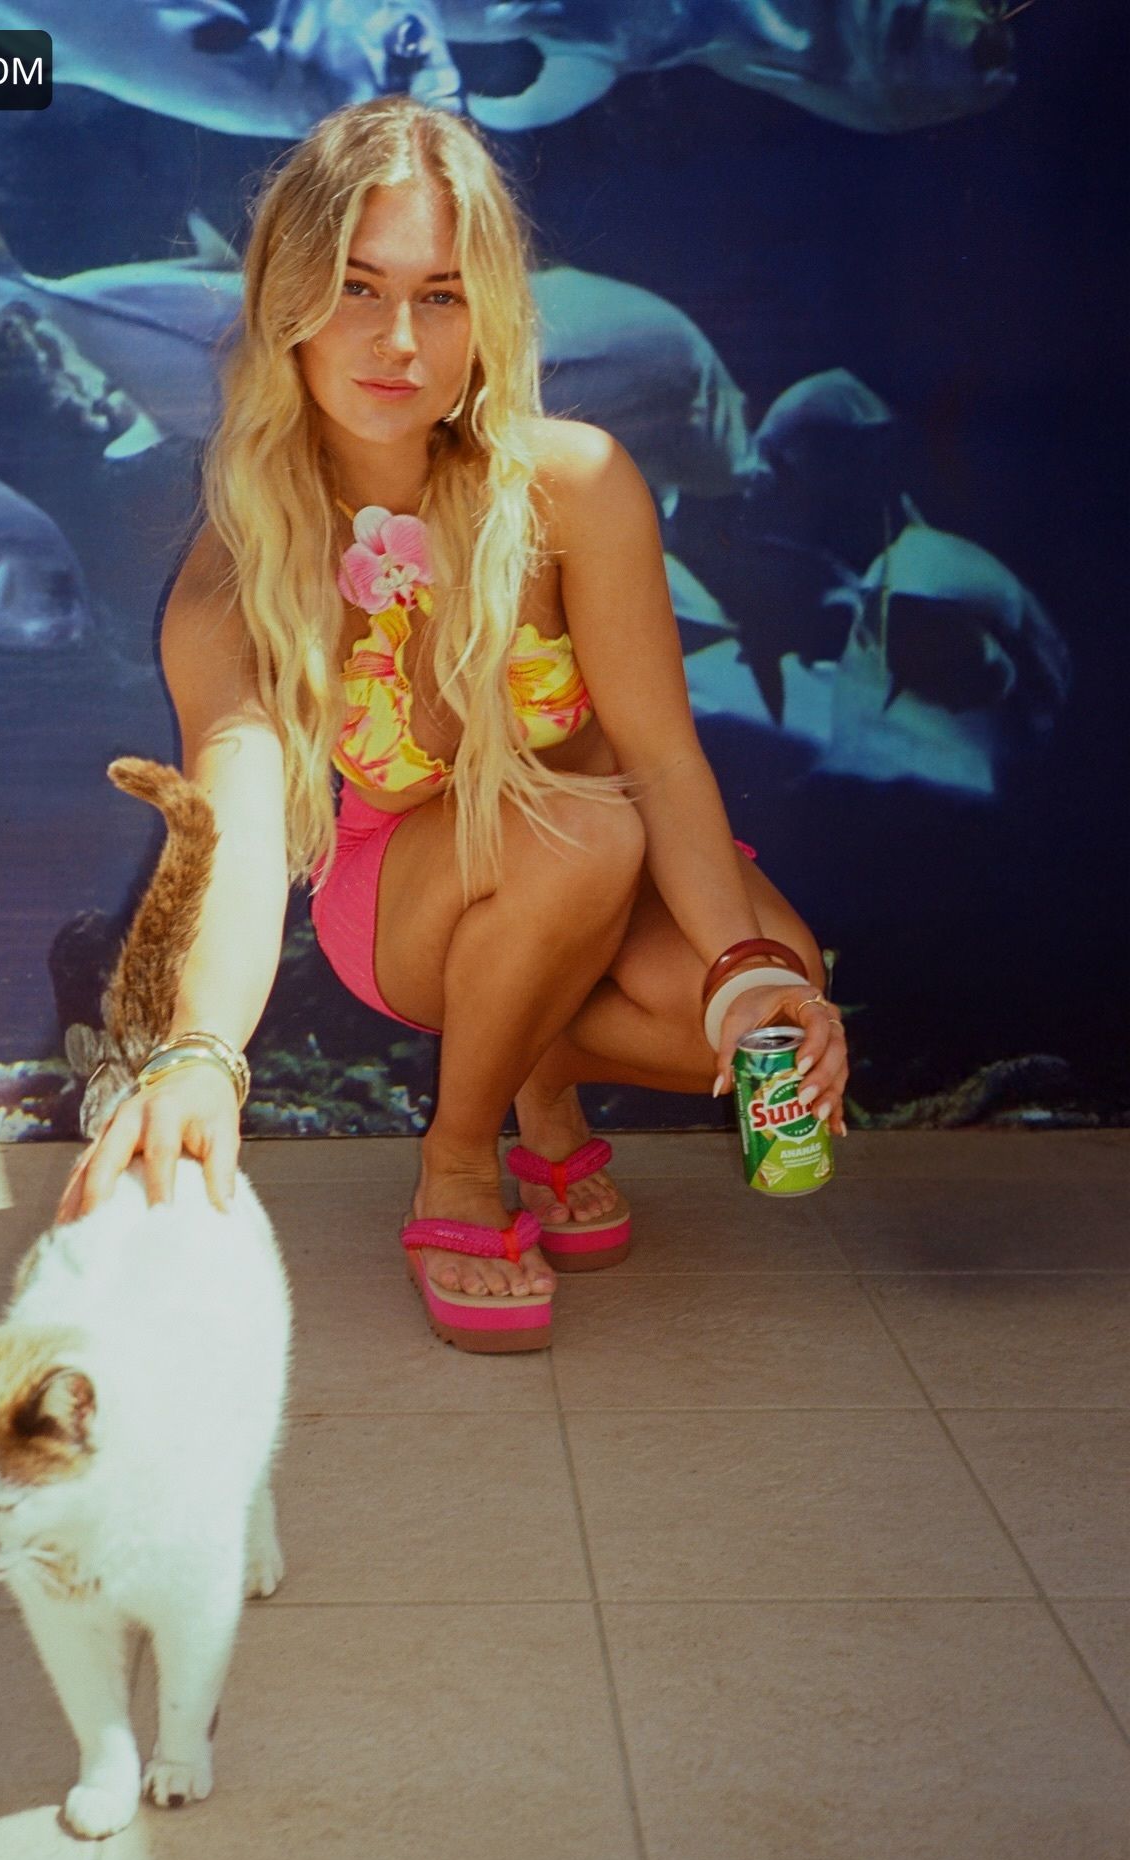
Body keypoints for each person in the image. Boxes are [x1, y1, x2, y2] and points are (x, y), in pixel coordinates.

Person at [56, 96, 848, 1352]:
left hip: (610, 856)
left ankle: (536, 1064)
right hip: (408, 906)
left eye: (441, 295)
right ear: (287, 300)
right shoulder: (232, 576)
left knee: (778, 996)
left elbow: (660, 757)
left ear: (490, 314)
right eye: (357, 287)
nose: (398, 340)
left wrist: (747, 975)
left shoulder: (579, 485)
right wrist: (199, 1050)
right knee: (582, 831)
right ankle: (462, 1161)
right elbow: (240, 834)